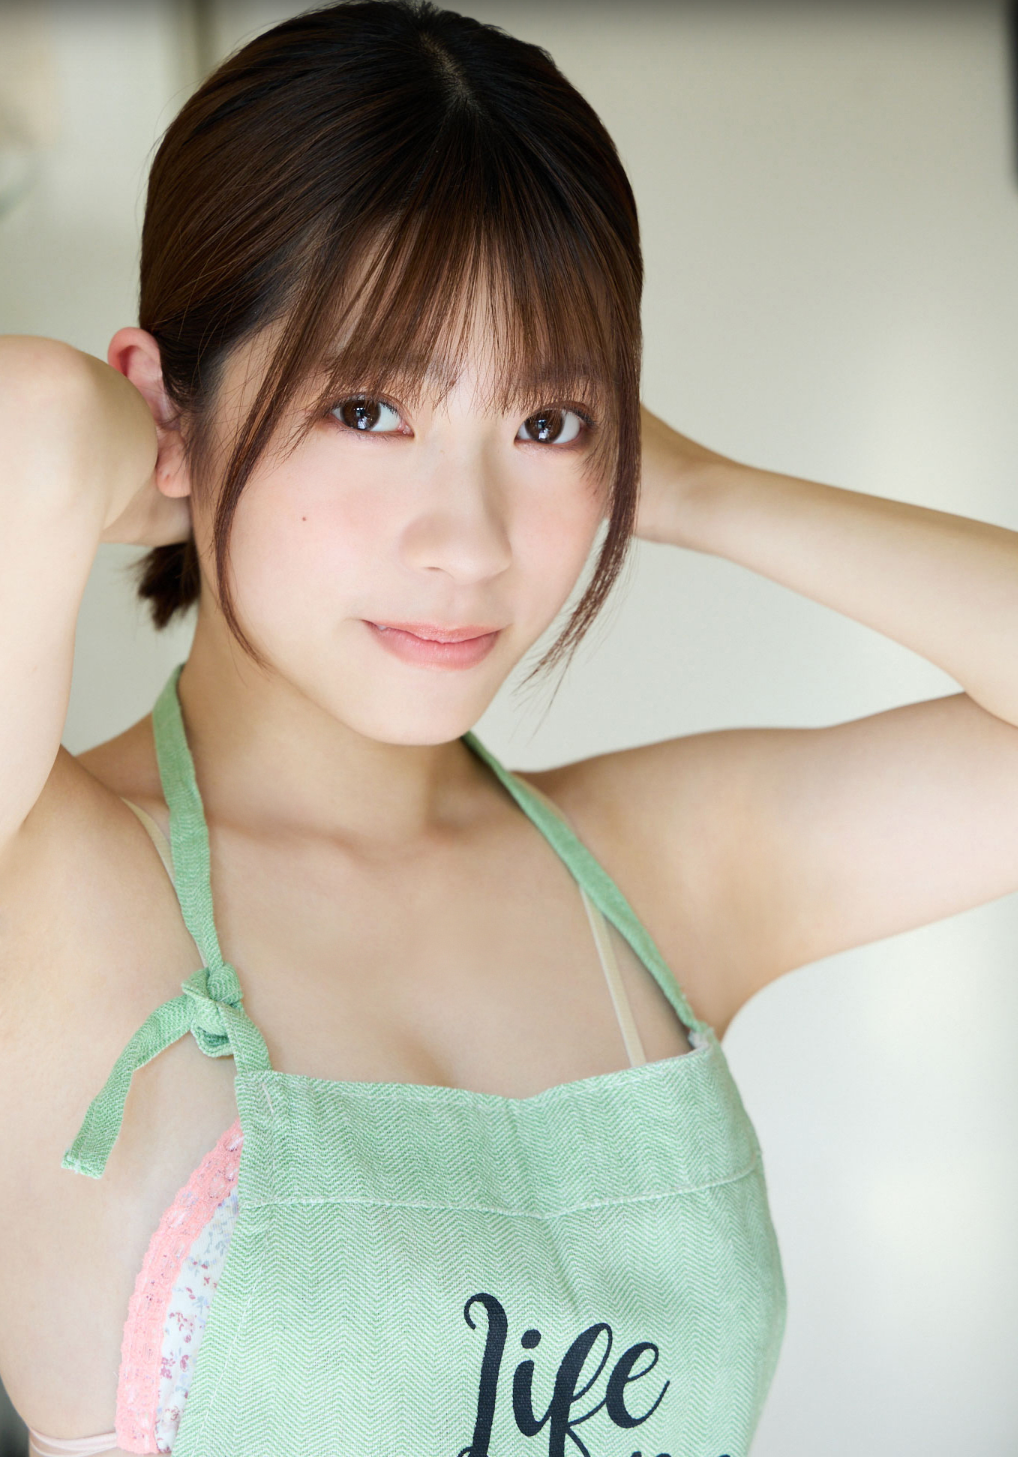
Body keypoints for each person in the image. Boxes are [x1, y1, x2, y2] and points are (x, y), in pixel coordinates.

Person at [2, 1, 1017, 1454]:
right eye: (366, 408)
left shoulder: (656, 878)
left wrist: (694, 487)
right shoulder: (47, 875)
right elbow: (30, 425)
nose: (468, 542)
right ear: (167, 402)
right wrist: (165, 442)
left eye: (547, 426)